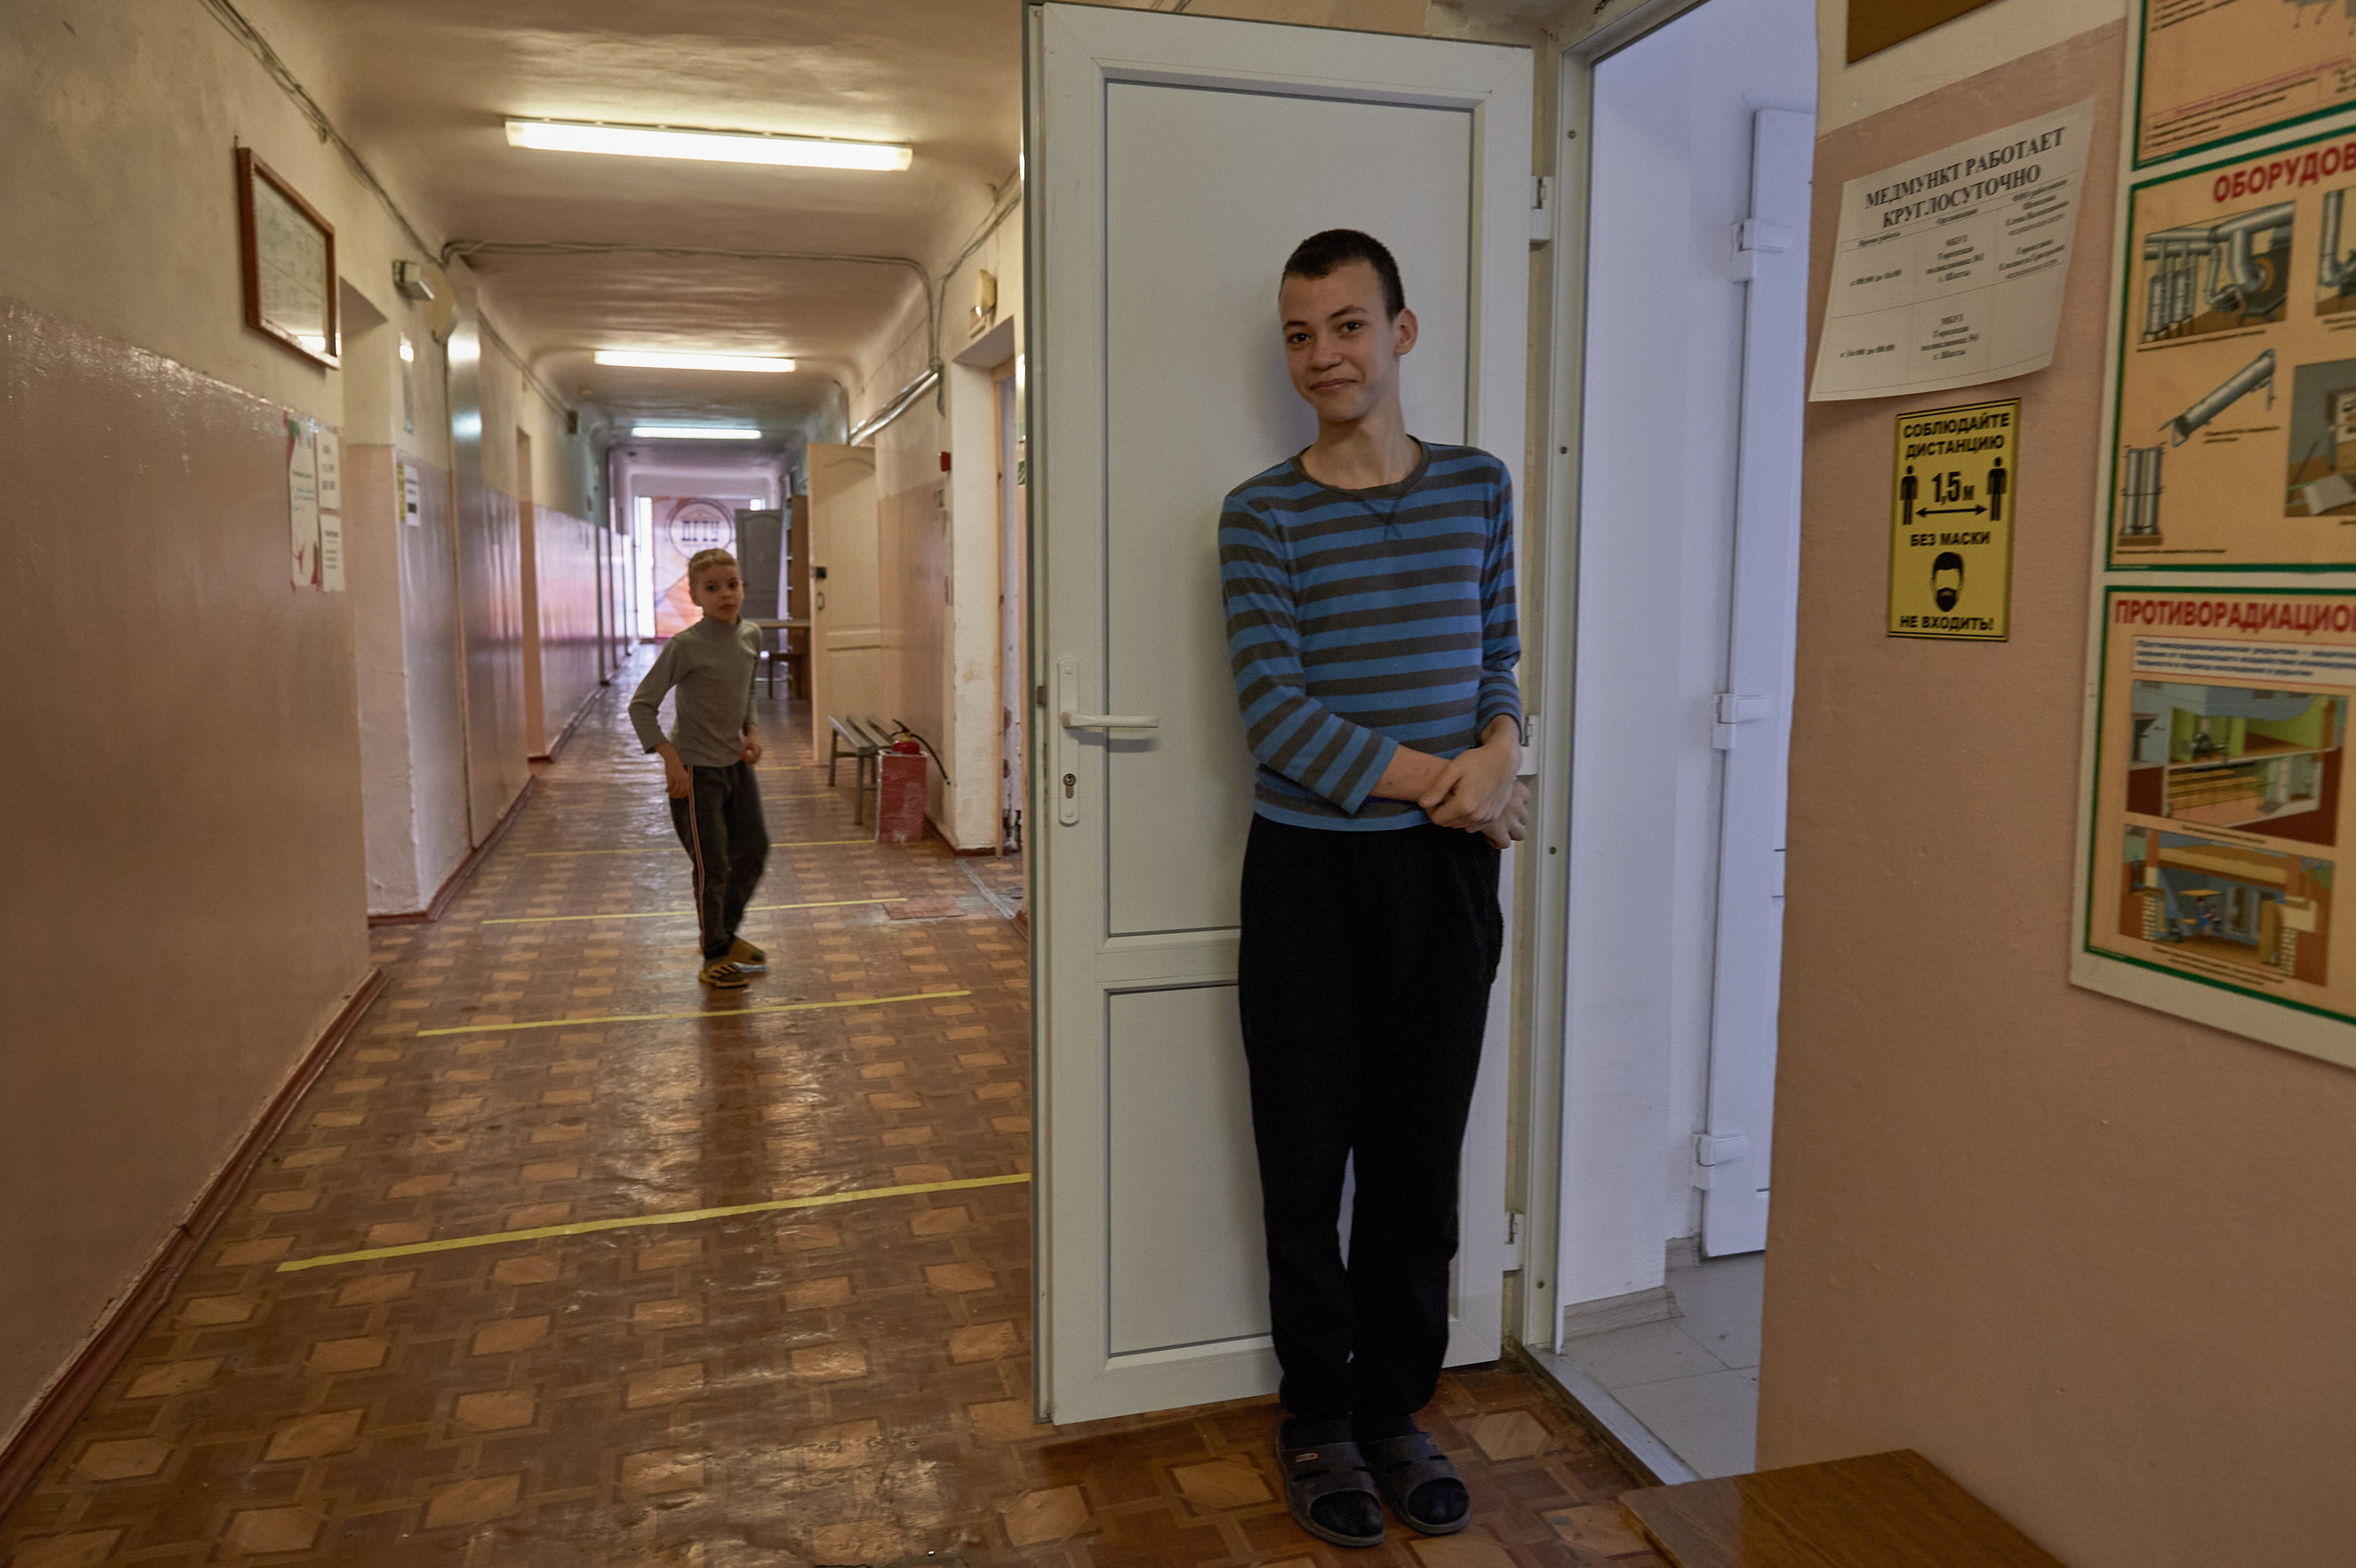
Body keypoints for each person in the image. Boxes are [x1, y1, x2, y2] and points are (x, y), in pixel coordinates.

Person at [1218, 228, 1530, 1549]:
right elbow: (1276, 717)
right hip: (1311, 878)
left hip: (1445, 877)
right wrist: (1447, 781)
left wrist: (1503, 753)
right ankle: (1319, 1423)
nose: (1323, 355)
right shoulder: (1260, 511)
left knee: (1416, 1159)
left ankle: (1398, 1410)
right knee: (1306, 1159)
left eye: (1346, 325)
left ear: (1401, 333)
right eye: (1300, 334)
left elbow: (1500, 654)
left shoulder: (1478, 486)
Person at [629, 547, 770, 989]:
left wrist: (751, 732)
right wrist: (671, 761)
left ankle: (724, 936)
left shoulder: (751, 636)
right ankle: (713, 955)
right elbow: (641, 707)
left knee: (754, 851)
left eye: (733, 584)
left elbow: (746, 691)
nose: (726, 594)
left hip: (735, 768)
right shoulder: (685, 647)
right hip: (697, 774)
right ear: (695, 595)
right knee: (713, 865)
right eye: (713, 588)